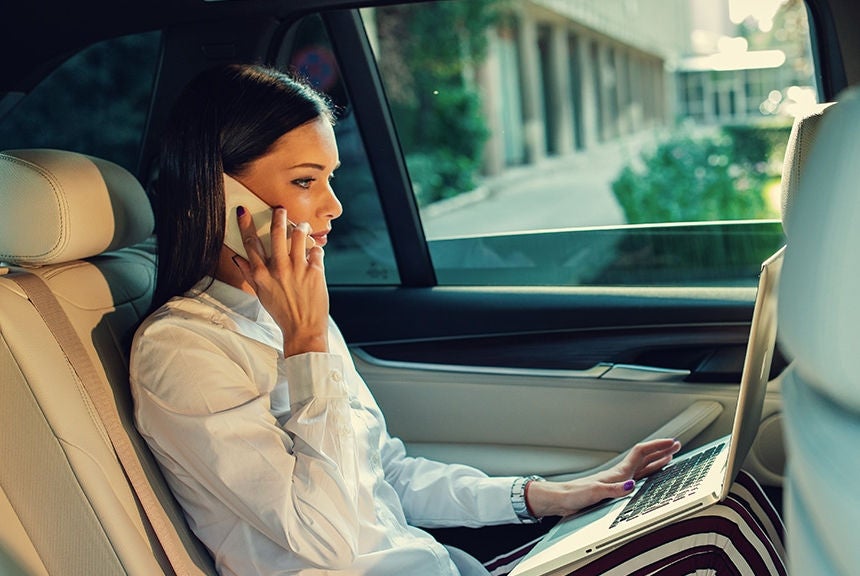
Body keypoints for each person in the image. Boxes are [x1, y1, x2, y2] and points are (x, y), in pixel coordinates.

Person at [129, 63, 786, 576]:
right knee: (716, 534)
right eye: (306, 181)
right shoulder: (185, 351)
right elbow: (327, 537)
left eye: (330, 178)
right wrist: (305, 349)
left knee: (732, 497)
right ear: (221, 191)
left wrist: (544, 496)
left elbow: (383, 473)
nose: (332, 207)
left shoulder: (291, 317)